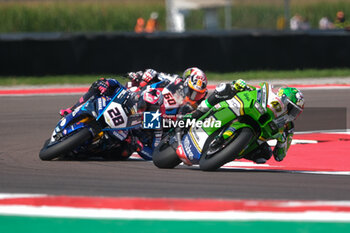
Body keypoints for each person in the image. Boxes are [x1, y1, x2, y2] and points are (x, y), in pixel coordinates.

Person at [185, 79, 305, 164]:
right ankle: (197, 113)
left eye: (296, 112)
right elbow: (252, 89)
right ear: (283, 99)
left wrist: (282, 142)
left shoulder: (288, 126)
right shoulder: (268, 97)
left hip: (256, 138)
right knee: (224, 89)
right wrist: (240, 85)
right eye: (291, 109)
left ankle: (231, 151)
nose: (292, 114)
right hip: (250, 112)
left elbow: (279, 156)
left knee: (265, 154)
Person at [59, 78, 123, 116]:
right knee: (98, 83)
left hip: (119, 110)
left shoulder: (130, 93)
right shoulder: (125, 86)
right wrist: (105, 83)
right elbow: (113, 82)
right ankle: (73, 109)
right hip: (108, 98)